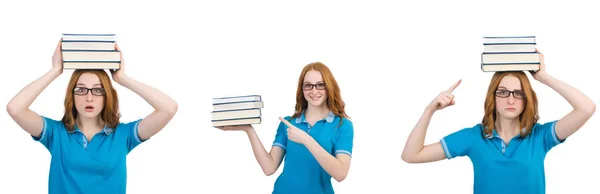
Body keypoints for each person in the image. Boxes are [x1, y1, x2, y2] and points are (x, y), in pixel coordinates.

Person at [401, 49, 596, 194]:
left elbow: (586, 108)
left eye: (518, 93)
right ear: (492, 97)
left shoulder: (541, 136)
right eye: (502, 92)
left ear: (526, 98)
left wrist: (543, 77)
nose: (511, 100)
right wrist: (429, 111)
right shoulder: (474, 137)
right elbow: (411, 155)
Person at [6, 40, 178, 194]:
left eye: (98, 90)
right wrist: (55, 71)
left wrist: (122, 79)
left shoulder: (122, 135)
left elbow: (168, 109)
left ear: (107, 95)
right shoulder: (56, 133)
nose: (89, 97)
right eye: (81, 89)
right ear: (71, 96)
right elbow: (15, 108)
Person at [217, 62, 354, 194]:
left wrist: (306, 139)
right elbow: (269, 168)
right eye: (308, 85)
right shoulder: (288, 123)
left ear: (329, 87)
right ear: (302, 89)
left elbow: (340, 173)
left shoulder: (342, 125)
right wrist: (249, 129)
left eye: (320, 85)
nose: (314, 91)